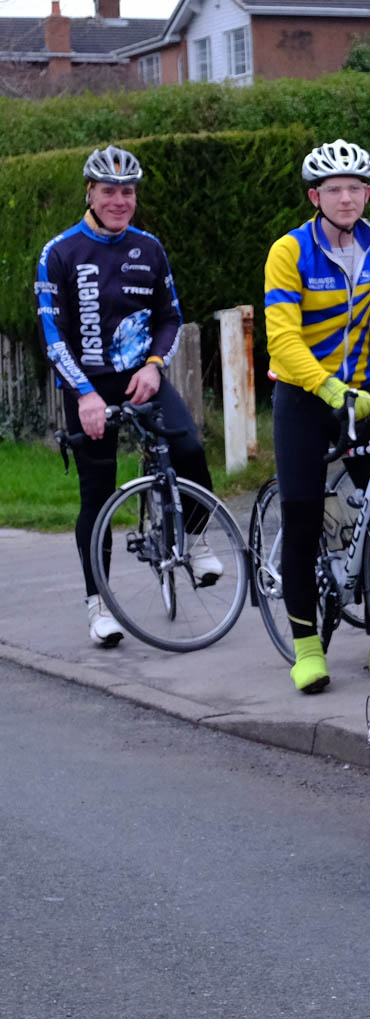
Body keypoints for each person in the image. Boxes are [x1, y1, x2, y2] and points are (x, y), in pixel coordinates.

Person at [263, 139, 370, 694]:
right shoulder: (289, 252)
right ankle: (307, 646)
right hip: (303, 395)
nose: (345, 198)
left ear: (367, 193)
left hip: (358, 394)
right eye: (333, 189)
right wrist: (329, 388)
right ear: (315, 196)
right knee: (305, 511)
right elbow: (283, 339)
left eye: (355, 189)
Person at [40, 145, 218, 647]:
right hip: (87, 385)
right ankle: (98, 604)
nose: (120, 200)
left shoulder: (150, 248)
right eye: (109, 191)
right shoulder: (61, 252)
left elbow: (170, 317)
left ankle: (197, 538)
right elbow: (51, 335)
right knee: (97, 496)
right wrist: (85, 395)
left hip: (144, 377)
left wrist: (156, 366)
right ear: (90, 193)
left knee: (189, 448)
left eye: (128, 191)